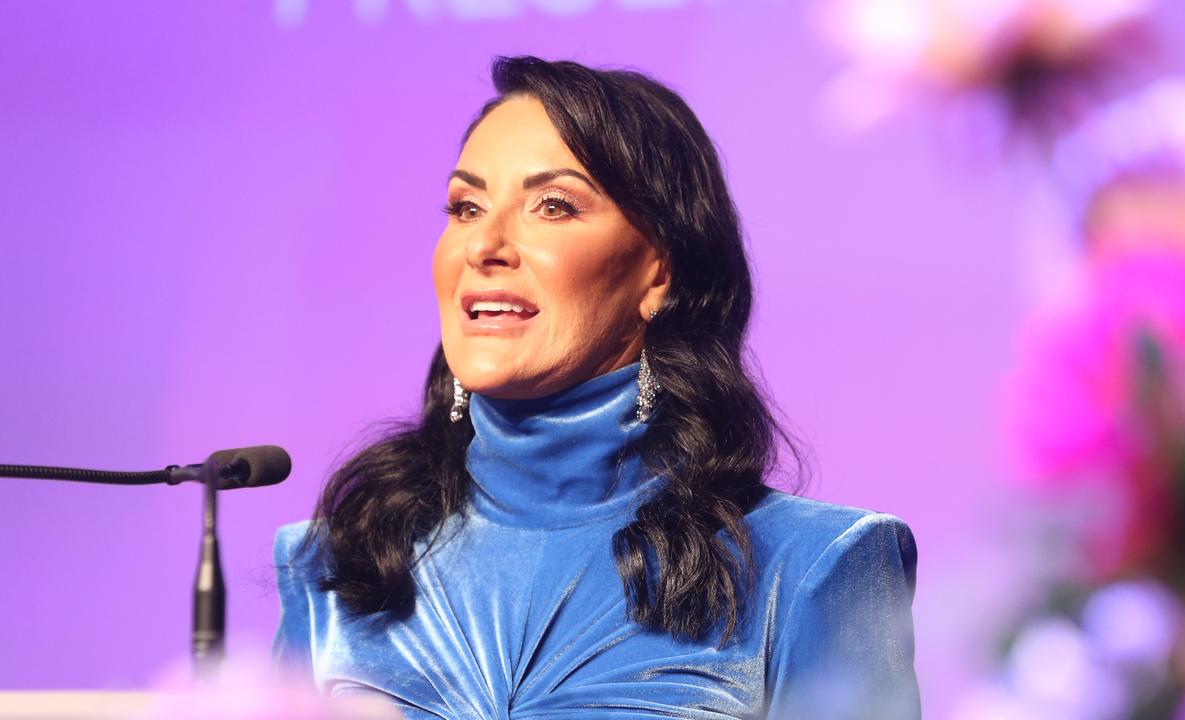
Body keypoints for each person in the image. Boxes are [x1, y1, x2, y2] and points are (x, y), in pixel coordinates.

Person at [273, 56, 919, 719]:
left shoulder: (810, 567)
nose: (483, 246)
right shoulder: (337, 565)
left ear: (659, 272)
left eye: (552, 206)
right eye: (466, 207)